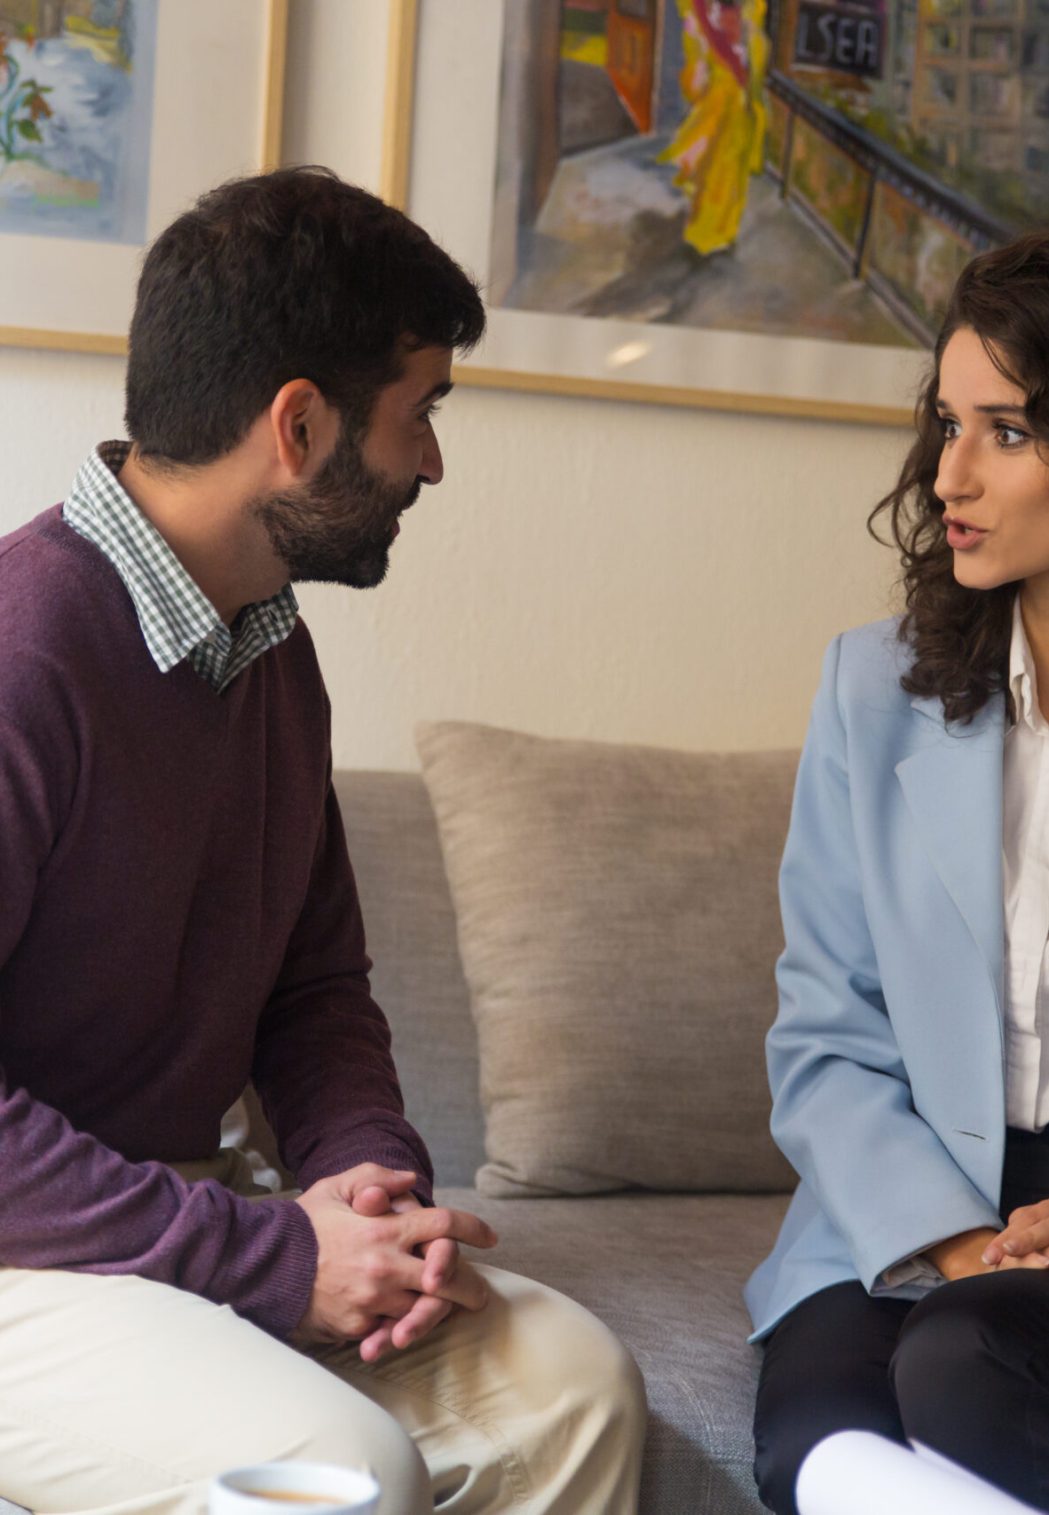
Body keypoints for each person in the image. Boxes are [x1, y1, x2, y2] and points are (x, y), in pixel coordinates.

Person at [0, 166, 645, 1515]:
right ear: (298, 424)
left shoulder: (268, 655)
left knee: (576, 1382)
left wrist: (362, 1177)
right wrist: (264, 1255)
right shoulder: (25, 652)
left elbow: (314, 983)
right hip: (27, 1252)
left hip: (186, 1222)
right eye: (418, 415)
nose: (430, 462)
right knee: (341, 1466)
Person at [746, 229, 1049, 1514]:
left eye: (1006, 430)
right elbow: (823, 1036)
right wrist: (966, 1241)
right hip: (909, 1193)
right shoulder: (870, 688)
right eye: (942, 423)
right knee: (812, 1437)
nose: (948, 473)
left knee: (962, 1375)